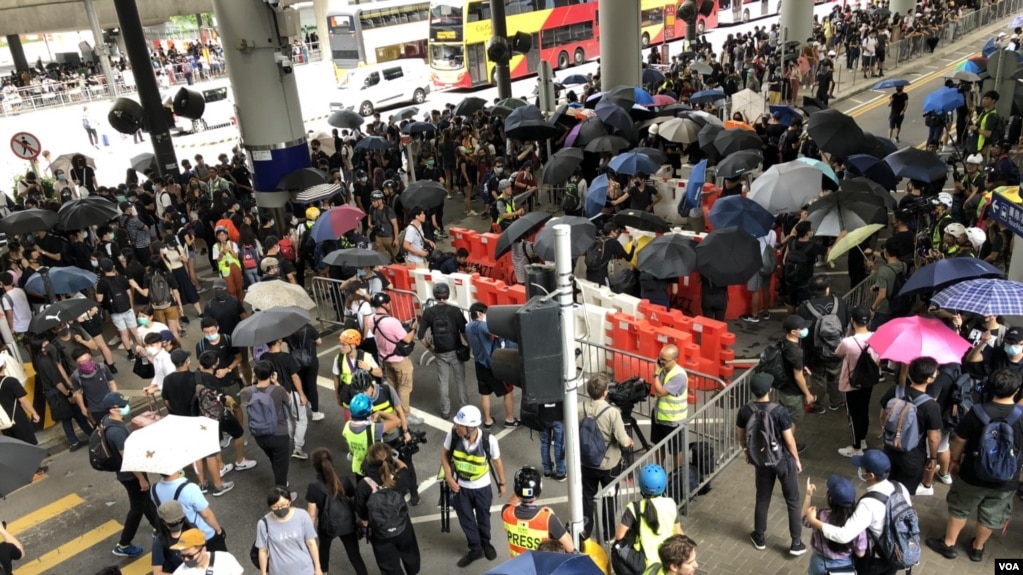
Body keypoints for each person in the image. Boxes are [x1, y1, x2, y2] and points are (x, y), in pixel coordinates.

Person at [925, 368, 1023, 562]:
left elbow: (959, 440)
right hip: (1007, 477)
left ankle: (949, 544)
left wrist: (954, 462)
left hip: (972, 472)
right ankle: (977, 549)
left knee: (960, 507)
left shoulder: (977, 412)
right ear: (1017, 389)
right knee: (991, 514)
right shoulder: (1021, 416)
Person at [804, 449, 914, 575]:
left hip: (875, 560)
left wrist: (814, 521)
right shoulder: (900, 487)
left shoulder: (868, 503)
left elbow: (843, 535)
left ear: (871, 475)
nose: (860, 470)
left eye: (862, 468)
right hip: (896, 553)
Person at [737, 372, 805, 556]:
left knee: (762, 498)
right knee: (792, 500)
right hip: (782, 460)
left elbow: (742, 436)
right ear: (770, 390)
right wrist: (796, 460)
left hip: (761, 461)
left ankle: (759, 537)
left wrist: (747, 453)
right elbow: (789, 440)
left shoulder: (745, 410)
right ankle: (796, 543)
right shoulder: (779, 411)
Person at [440, 405, 507, 567]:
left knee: (484, 518)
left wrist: (502, 483)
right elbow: (444, 455)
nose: (456, 427)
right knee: (467, 521)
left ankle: (486, 543)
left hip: (482, 487)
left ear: (471, 427)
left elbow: (497, 462)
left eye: (460, 425)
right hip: (460, 487)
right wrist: (449, 477)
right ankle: (476, 549)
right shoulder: (453, 434)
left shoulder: (488, 440)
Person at [99, 392, 159, 557]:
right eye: (122, 405)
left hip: (126, 473)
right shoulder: (116, 432)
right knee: (137, 507)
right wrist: (141, 479)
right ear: (113, 409)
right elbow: (128, 458)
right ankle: (124, 544)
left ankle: (158, 526)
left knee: (144, 499)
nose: (126, 407)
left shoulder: (107, 422)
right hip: (131, 475)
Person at [579, 374, 633, 540]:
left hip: (586, 462)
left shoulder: (579, 407)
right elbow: (623, 441)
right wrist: (630, 441)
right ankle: (608, 534)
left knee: (587, 497)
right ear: (605, 392)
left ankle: (585, 533)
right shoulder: (612, 413)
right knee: (609, 499)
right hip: (609, 465)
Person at [877, 357, 942, 496]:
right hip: (913, 456)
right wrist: (933, 457)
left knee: (886, 487)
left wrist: (889, 431)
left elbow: (883, 415)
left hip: (889, 449)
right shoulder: (931, 405)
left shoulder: (894, 391)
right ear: (929, 379)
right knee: (903, 494)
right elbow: (933, 438)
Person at [355, 443, 421, 575]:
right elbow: (405, 468)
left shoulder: (364, 485)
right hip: (402, 526)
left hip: (379, 532)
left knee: (389, 565)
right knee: (410, 554)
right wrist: (396, 460)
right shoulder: (399, 478)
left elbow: (361, 510)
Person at [305, 448, 368, 575]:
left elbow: (312, 515)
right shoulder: (343, 480)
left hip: (327, 526)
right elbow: (354, 499)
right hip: (347, 524)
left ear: (315, 466)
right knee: (354, 555)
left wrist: (308, 533)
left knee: (324, 551)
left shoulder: (313, 487)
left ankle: (324, 572)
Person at [613, 464, 684, 568]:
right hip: (668, 559)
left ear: (641, 485)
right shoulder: (671, 503)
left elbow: (619, 536)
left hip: (645, 564)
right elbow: (678, 533)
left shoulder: (633, 508)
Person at [796, 275, 850, 413]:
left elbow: (801, 332)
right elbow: (845, 323)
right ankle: (836, 402)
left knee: (818, 379)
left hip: (814, 352)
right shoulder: (839, 302)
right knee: (835, 376)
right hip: (837, 349)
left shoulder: (804, 307)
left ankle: (818, 405)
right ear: (827, 289)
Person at [417, 283, 468, 418]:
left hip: (439, 352)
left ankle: (445, 410)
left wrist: (431, 349)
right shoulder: (455, 311)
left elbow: (420, 335)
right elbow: (463, 331)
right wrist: (469, 345)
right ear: (448, 295)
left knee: (443, 381)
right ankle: (464, 407)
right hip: (456, 350)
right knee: (460, 380)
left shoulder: (429, 312)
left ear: (434, 295)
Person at [835, 306, 879, 457]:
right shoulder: (877, 338)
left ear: (852, 321)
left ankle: (856, 447)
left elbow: (838, 353)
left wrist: (849, 333)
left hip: (851, 383)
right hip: (869, 381)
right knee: (864, 410)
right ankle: (862, 439)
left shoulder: (848, 342)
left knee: (853, 416)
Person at [151, 467, 229, 552]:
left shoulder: (154, 489)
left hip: (177, 538)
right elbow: (206, 514)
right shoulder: (189, 488)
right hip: (202, 535)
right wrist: (218, 530)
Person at [240, 361, 293, 489]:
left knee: (274, 460)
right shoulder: (278, 390)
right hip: (279, 434)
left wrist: (253, 381)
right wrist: (276, 382)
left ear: (255, 374)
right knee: (281, 467)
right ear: (271, 375)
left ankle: (281, 484)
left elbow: (252, 393)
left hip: (260, 435)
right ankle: (282, 493)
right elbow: (288, 399)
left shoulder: (247, 391)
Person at [801, 475, 867, 575]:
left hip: (820, 563)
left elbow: (804, 519)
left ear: (831, 500)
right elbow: (860, 553)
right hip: (844, 565)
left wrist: (808, 495)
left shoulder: (819, 516)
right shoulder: (856, 523)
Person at [465, 303, 518, 428]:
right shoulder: (484, 326)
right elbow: (498, 334)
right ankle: (509, 420)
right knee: (508, 392)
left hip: (479, 364)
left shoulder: (468, 327)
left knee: (485, 393)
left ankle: (488, 420)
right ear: (479, 314)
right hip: (493, 364)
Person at [502, 466, 574, 556]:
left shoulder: (506, 513)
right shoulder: (548, 518)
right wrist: (553, 516)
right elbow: (570, 547)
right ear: (539, 490)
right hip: (538, 567)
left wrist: (521, 488)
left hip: (517, 566)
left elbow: (510, 502)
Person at [255, 485, 323, 575]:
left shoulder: (302, 516)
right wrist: (263, 573)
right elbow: (263, 551)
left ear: (290, 502)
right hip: (278, 571)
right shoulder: (263, 524)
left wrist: (317, 568)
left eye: (283, 505)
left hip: (304, 569)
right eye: (275, 507)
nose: (280, 509)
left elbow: (311, 543)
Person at [371, 292, 419, 419]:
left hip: (385, 359)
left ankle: (393, 411)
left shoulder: (372, 320)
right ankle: (405, 415)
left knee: (392, 387)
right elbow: (407, 339)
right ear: (385, 304)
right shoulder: (392, 321)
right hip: (399, 360)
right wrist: (414, 328)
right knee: (404, 387)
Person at [262, 339, 310, 460]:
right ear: (278, 341)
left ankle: (287, 442)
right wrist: (302, 394)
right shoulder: (287, 357)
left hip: (274, 395)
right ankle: (298, 448)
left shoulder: (263, 357)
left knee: (286, 419)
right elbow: (295, 377)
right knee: (301, 420)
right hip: (290, 393)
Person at [774, 316, 816, 447]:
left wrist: (802, 367)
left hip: (783, 387)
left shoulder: (782, 341)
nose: (804, 330)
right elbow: (798, 377)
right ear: (793, 332)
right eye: (801, 328)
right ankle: (788, 445)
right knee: (792, 420)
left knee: (785, 415)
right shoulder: (796, 351)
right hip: (792, 392)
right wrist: (808, 394)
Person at [96, 257, 143, 360]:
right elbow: (129, 293)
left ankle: (131, 355)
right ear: (113, 267)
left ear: (101, 269)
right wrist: (131, 306)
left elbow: (99, 299)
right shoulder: (122, 278)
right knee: (135, 331)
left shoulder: (102, 283)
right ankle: (143, 350)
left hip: (115, 311)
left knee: (123, 333)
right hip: (127, 307)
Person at [650, 345, 688, 463]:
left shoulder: (679, 376)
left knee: (676, 450)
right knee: (658, 445)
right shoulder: (663, 369)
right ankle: (659, 470)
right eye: (660, 358)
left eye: (664, 360)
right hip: (659, 416)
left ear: (675, 360)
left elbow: (661, 392)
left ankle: (677, 475)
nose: (661, 362)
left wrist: (656, 374)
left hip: (673, 420)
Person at [0, 350, 42, 445]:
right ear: (5, 365)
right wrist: (34, 413)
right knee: (29, 443)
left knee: (15, 446)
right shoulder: (11, 381)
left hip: (4, 421)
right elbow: (23, 400)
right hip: (18, 418)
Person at [288, 323, 324, 421]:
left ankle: (306, 403)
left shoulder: (288, 330)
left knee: (301, 383)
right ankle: (315, 412)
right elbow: (319, 341)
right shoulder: (308, 328)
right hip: (310, 360)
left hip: (296, 362)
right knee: (312, 384)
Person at [168, 528, 244, 574]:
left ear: (203, 549)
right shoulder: (179, 573)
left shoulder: (225, 559)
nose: (185, 559)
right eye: (182, 556)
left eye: (190, 556)